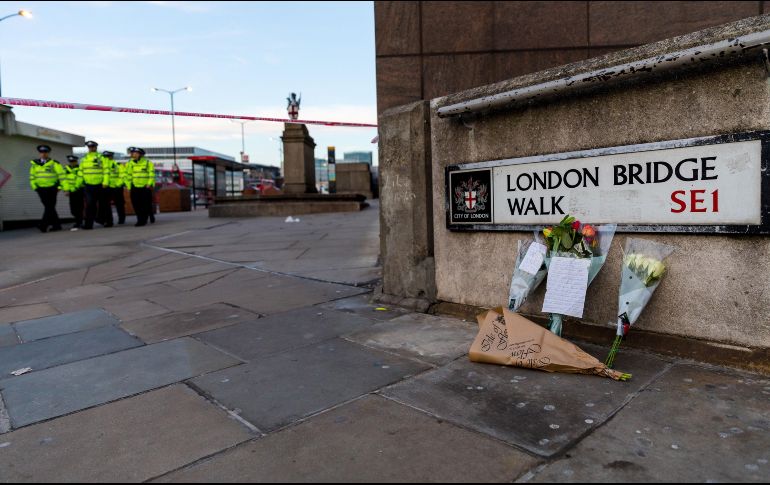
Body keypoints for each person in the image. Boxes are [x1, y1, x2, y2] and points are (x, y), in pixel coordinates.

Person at [29, 145, 64, 233]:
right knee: (49, 207)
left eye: (45, 152)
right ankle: (57, 225)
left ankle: (43, 225)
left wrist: (60, 187)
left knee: (49, 207)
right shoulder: (35, 164)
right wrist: (35, 187)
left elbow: (61, 175)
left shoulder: (54, 163)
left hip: (52, 188)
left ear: (48, 153)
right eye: (41, 152)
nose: (43, 154)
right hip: (40, 189)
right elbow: (32, 177)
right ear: (39, 153)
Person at [80, 140, 108, 230]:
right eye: (89, 147)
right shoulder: (84, 159)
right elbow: (81, 172)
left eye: (92, 147)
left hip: (100, 184)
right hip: (88, 185)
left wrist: (105, 182)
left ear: (96, 148)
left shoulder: (102, 158)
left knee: (102, 204)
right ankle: (88, 224)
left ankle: (101, 219)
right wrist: (79, 183)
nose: (91, 148)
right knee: (90, 205)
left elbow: (106, 171)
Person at [126, 147, 155, 226]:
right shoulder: (130, 163)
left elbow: (151, 174)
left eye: (136, 153)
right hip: (134, 186)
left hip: (145, 187)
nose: (133, 154)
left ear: (141, 154)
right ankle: (140, 219)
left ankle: (144, 219)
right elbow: (128, 176)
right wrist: (129, 186)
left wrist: (149, 183)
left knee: (145, 204)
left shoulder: (148, 163)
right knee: (136, 204)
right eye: (133, 153)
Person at [102, 150, 126, 225]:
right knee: (106, 205)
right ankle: (109, 221)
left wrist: (118, 185)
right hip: (106, 187)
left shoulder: (118, 165)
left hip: (116, 188)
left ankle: (121, 219)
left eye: (108, 156)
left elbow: (122, 175)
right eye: (105, 157)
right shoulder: (100, 166)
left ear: (112, 157)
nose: (107, 158)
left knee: (119, 204)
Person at [63, 155, 84, 231]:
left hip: (79, 190)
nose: (72, 163)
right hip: (71, 191)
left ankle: (79, 222)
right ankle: (78, 220)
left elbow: (80, 178)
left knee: (80, 207)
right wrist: (65, 189)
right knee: (73, 208)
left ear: (76, 161)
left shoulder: (80, 169)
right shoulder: (65, 169)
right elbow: (64, 180)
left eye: (74, 161)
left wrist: (75, 187)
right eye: (71, 162)